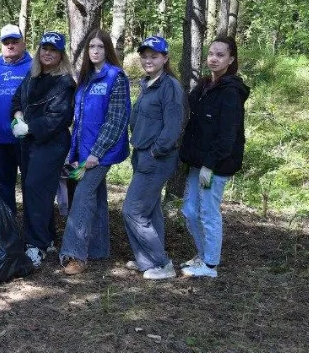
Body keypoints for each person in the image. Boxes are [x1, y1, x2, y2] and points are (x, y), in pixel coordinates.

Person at [58, 29, 130, 275]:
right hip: (85, 151)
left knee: (82, 196)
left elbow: (116, 120)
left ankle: (74, 254)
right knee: (96, 197)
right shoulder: (86, 78)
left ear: (107, 49)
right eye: (91, 47)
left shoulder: (116, 77)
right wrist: (76, 152)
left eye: (100, 47)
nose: (95, 51)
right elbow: (79, 122)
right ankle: (99, 249)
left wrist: (96, 152)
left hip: (103, 152)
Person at [179, 36, 250, 278]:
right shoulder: (205, 86)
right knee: (189, 210)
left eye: (220, 55)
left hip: (216, 165)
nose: (214, 58)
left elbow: (228, 134)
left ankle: (210, 265)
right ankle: (203, 254)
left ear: (231, 59)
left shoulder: (231, 91)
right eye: (211, 53)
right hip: (198, 161)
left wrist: (210, 165)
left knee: (208, 211)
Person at [10, 31, 76, 268]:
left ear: (61, 55)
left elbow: (59, 118)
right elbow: (17, 99)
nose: (48, 54)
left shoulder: (65, 83)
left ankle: (35, 245)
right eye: (45, 49)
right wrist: (18, 118)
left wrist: (29, 127)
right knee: (36, 190)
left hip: (51, 143)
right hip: (30, 142)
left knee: (35, 187)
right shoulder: (33, 75)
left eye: (54, 50)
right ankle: (47, 237)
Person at [123, 35, 185, 280]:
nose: (148, 60)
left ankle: (162, 263)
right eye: (145, 56)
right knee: (150, 211)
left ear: (165, 58)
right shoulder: (148, 84)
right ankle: (147, 259)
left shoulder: (169, 86)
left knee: (132, 210)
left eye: (154, 56)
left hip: (156, 158)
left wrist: (155, 151)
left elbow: (173, 127)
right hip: (142, 155)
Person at [0, 24, 33, 213]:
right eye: (6, 42)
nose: (11, 45)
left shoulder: (34, 68)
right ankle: (8, 230)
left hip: (27, 139)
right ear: (1, 44)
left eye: (15, 41)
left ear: (23, 43)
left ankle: (35, 234)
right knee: (4, 186)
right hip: (0, 140)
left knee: (31, 186)